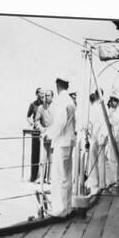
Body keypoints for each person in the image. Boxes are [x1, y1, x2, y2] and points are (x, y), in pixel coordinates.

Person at [44, 77, 76, 217]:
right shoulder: (70, 101)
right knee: (67, 176)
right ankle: (67, 207)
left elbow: (60, 122)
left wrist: (48, 135)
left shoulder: (61, 101)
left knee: (59, 176)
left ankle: (60, 210)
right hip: (69, 142)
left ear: (57, 85)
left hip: (62, 142)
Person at [87, 90, 108, 194]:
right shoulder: (103, 107)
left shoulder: (94, 108)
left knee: (93, 161)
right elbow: (107, 123)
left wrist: (90, 135)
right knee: (100, 161)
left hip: (95, 137)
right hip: (99, 136)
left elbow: (90, 123)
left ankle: (95, 184)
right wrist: (104, 136)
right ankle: (102, 184)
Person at [34, 90, 54, 183]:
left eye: (48, 96)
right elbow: (36, 121)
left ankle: (49, 178)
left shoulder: (56, 107)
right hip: (44, 135)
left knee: (52, 158)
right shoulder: (41, 108)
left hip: (53, 135)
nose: (46, 97)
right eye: (45, 96)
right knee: (43, 158)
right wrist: (41, 129)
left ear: (52, 96)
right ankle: (41, 177)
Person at [26, 87, 45, 182]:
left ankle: (43, 177)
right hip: (36, 131)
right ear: (37, 94)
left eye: (43, 93)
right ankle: (33, 176)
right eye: (41, 93)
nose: (42, 95)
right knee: (35, 153)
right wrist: (31, 123)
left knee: (45, 154)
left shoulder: (46, 104)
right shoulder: (33, 105)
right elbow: (28, 116)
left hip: (45, 130)